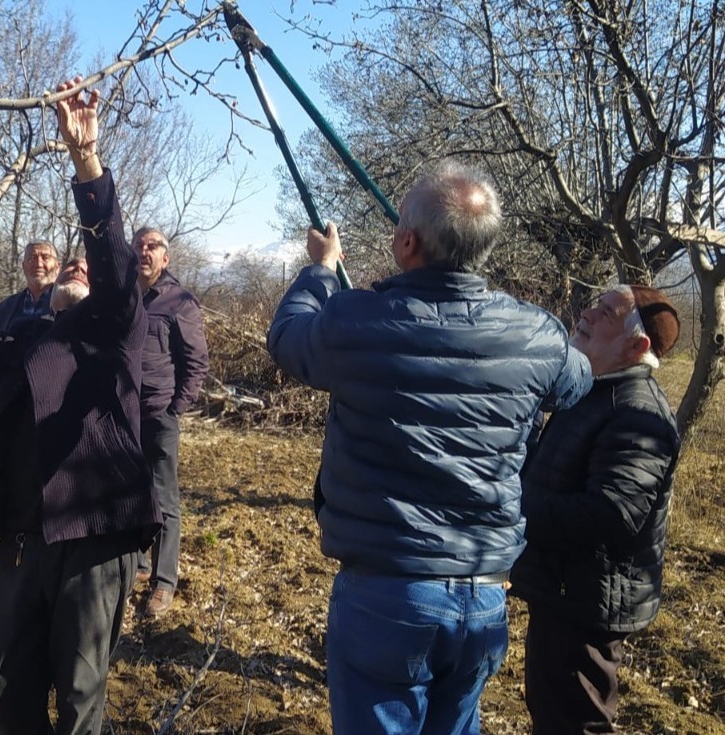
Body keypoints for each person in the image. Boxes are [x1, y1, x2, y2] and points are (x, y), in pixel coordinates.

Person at [266, 160, 593, 735]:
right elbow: (577, 383)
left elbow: (289, 338)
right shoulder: (538, 335)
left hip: (387, 593)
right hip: (484, 595)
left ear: (407, 241)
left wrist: (321, 270)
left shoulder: (355, 320)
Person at [0, 77, 160, 735]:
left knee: (81, 692)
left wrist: (86, 162)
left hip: (93, 536)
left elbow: (116, 273)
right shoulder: (29, 336)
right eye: (71, 272)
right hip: (25, 538)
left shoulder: (117, 328)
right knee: (6, 680)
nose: (78, 274)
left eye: (83, 270)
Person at [510, 285, 682, 734]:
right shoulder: (592, 391)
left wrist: (514, 509)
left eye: (605, 313)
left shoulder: (637, 413)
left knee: (577, 724)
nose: (586, 314)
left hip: (587, 605)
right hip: (564, 591)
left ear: (636, 345)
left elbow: (611, 513)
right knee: (552, 714)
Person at [131, 226, 209, 618]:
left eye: (153, 246)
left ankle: (164, 581)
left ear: (166, 257)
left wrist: (174, 409)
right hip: (123, 414)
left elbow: (196, 364)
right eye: (139, 246)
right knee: (132, 493)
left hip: (159, 414)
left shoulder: (180, 301)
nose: (145, 252)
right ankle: (139, 567)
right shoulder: (125, 295)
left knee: (164, 499)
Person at [0, 240, 60, 332]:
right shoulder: (2, 311)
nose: (38, 264)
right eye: (32, 258)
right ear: (23, 266)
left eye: (45, 258)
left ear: (57, 267)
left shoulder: (70, 305)